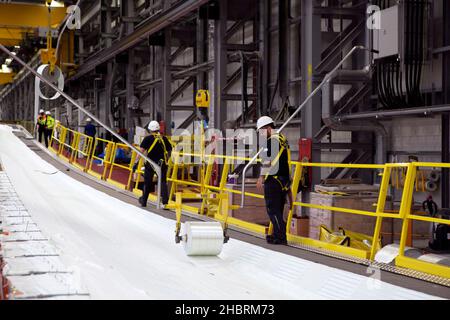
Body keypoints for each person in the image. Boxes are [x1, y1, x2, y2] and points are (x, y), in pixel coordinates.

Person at [256, 116, 293, 245]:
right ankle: (277, 234)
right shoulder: (283, 139)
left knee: (273, 209)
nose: (260, 134)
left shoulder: (271, 141)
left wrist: (261, 177)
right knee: (279, 208)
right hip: (283, 180)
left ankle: (281, 237)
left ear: (268, 128)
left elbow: (267, 160)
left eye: (261, 131)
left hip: (273, 180)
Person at [134, 120, 172, 208]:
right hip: (161, 163)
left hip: (150, 163)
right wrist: (167, 159)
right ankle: (165, 203)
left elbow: (141, 152)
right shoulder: (164, 138)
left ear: (150, 129)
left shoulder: (147, 139)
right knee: (162, 182)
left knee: (147, 182)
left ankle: (144, 201)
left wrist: (136, 163)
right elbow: (170, 150)